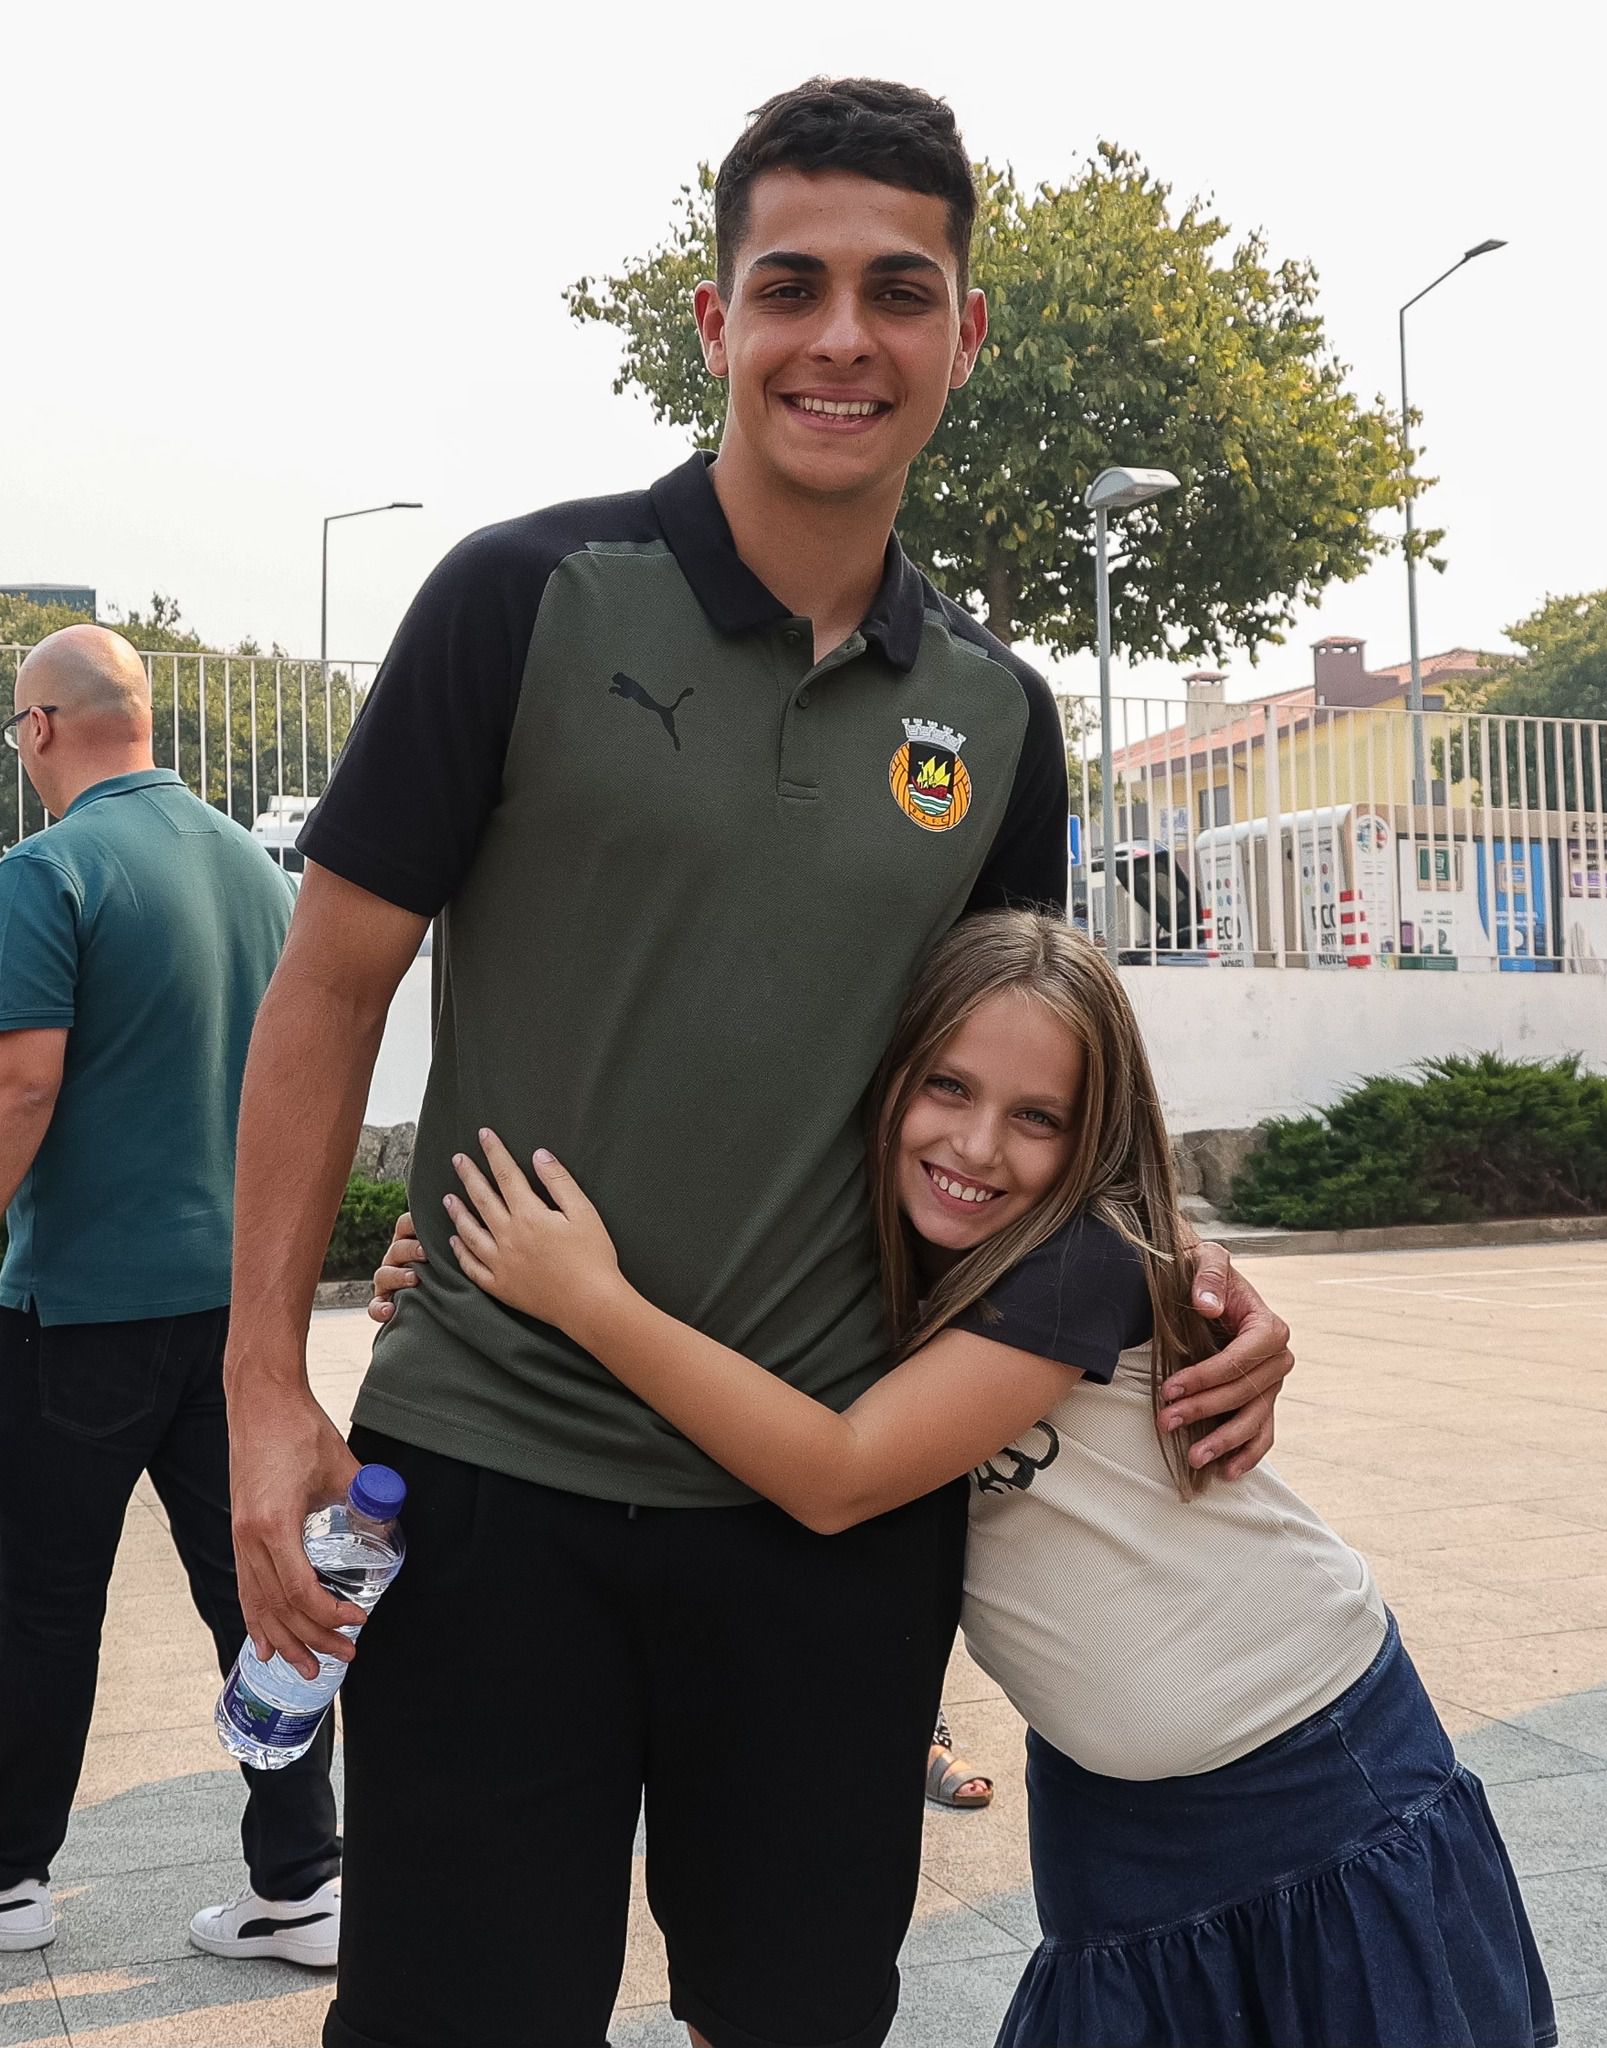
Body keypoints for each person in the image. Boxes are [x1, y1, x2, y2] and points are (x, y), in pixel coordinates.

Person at [225, 79, 1300, 2048]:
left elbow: (1021, 1096)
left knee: (797, 2017)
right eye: (791, 286)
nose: (841, 338)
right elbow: (325, 991)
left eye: (899, 291)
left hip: (827, 1523)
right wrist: (260, 1383)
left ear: (965, 334)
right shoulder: (521, 600)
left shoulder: (998, 715)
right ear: (716, 321)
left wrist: (1179, 1274)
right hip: (489, 1480)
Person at [406, 909, 1555, 2048]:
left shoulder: (1078, 1265)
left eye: (1037, 1116)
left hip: (1317, 1775)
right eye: (946, 1086)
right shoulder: (872, 1270)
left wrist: (587, 1299)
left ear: (1095, 1133)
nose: (978, 1145)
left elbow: (839, 1474)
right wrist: (475, 1277)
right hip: (1110, 1824)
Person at [0, 626, 342, 1965]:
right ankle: (301, 1879)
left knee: (38, 1601)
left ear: (40, 729)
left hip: (78, 1308)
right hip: (237, 1313)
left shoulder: (46, 870)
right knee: (259, 1593)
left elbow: (22, 1083)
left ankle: (11, 1878)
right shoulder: (257, 872)